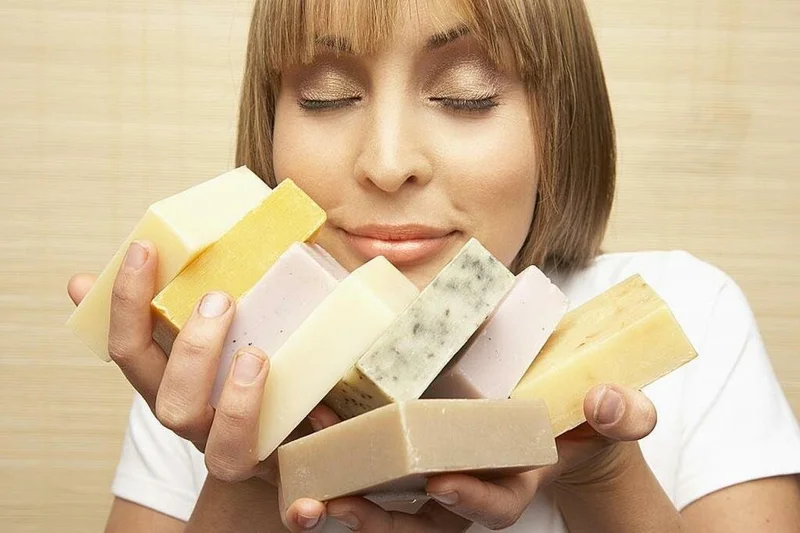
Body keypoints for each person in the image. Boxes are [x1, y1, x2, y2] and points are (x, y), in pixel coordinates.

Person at [68, 0, 800, 531]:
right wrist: (251, 477)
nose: (387, 164)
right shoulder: (213, 366)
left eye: (466, 95)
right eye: (327, 96)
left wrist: (602, 476)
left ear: (559, 121)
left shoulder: (691, 310)